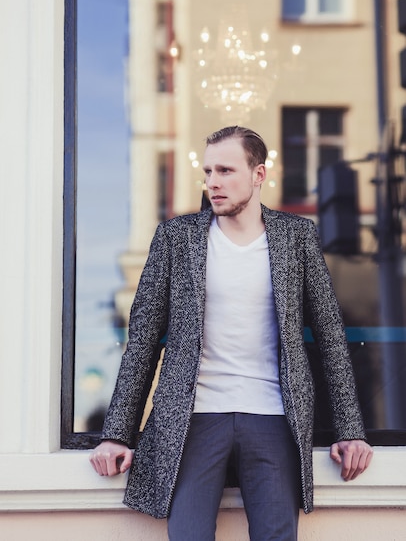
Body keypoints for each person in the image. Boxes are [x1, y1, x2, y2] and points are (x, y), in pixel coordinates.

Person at [90, 126, 373, 540]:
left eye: (225, 170)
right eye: (207, 172)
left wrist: (350, 429)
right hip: (194, 417)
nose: (213, 183)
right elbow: (144, 339)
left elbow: (330, 335)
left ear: (259, 174)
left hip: (273, 415)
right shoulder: (177, 237)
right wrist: (116, 433)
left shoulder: (296, 237)